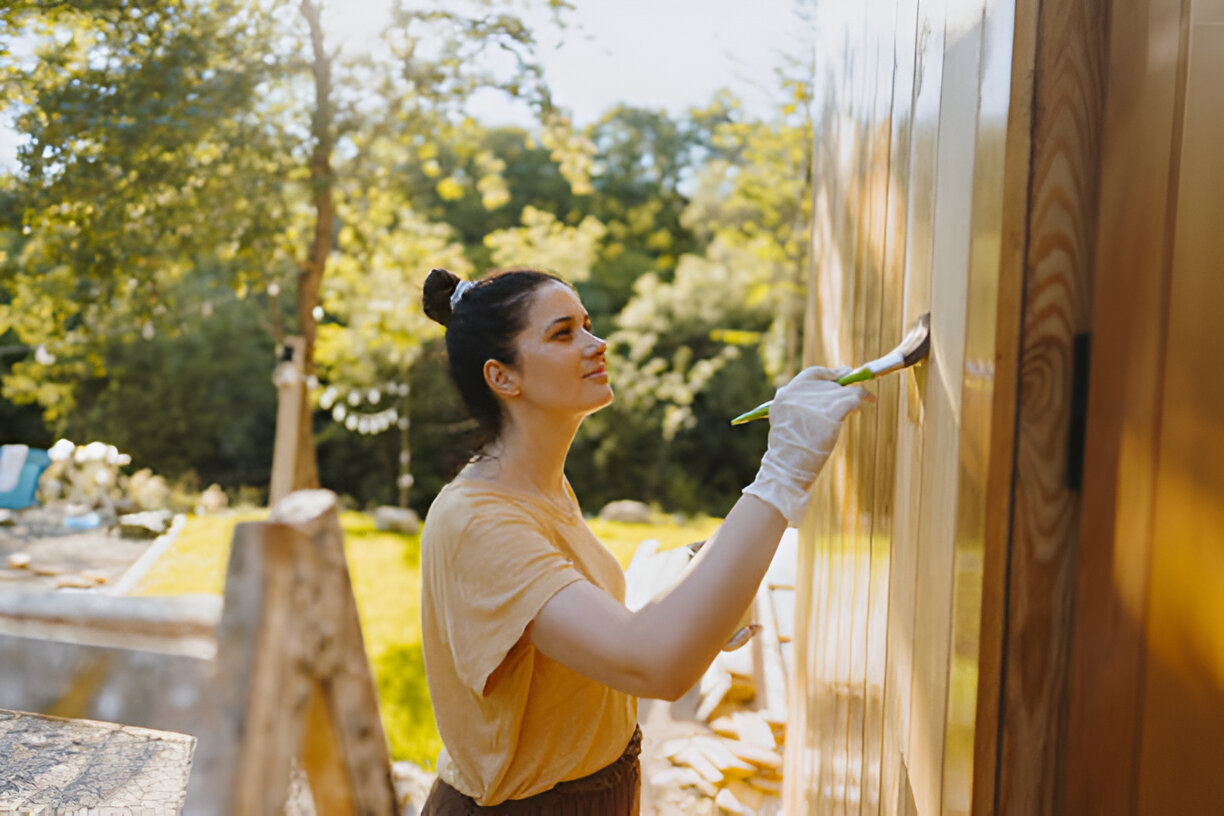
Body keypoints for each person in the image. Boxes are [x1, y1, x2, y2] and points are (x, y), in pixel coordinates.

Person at [418, 266, 870, 814]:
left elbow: (581, 640)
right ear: (503, 377)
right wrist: (783, 472)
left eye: (587, 324)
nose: (596, 343)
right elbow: (653, 664)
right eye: (563, 333)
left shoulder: (540, 489)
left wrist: (695, 599)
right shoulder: (479, 522)